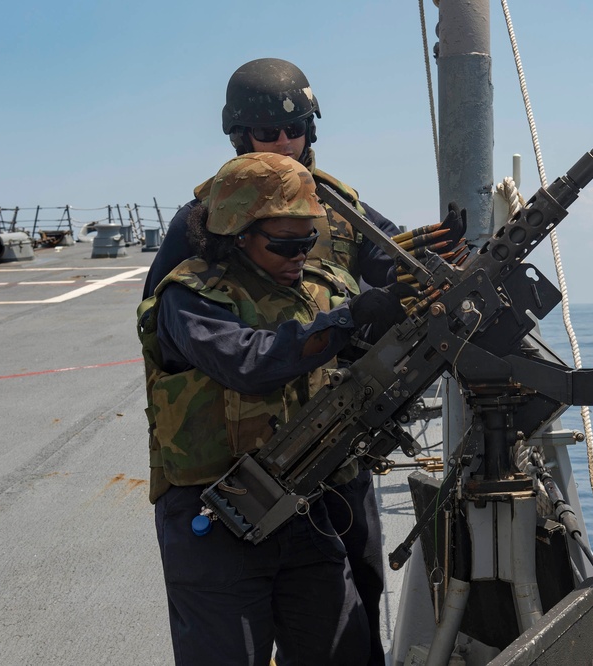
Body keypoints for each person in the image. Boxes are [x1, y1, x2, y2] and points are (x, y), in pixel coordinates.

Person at [142, 57, 463, 666]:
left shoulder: (335, 204)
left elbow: (388, 262)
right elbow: (186, 329)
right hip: (227, 477)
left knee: (350, 619)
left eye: (294, 131)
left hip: (324, 469)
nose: (285, 145)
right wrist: (342, 320)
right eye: (268, 134)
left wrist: (439, 267)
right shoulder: (202, 233)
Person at [139, 152, 410, 665]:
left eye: (307, 241)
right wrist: (348, 321)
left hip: (305, 513)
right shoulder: (190, 297)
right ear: (236, 234)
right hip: (215, 519)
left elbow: (378, 342)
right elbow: (248, 362)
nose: (299, 256)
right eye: (284, 244)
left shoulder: (320, 288)